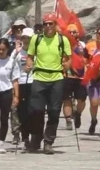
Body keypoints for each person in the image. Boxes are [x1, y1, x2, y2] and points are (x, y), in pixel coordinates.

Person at [25, 13, 72, 154]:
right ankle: (36, 139)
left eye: (51, 23)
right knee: (36, 111)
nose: (48, 26)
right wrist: (28, 65)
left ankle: (48, 142)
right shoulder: (36, 39)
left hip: (56, 78)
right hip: (39, 77)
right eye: (46, 24)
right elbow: (30, 56)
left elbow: (69, 58)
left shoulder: (63, 40)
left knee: (54, 112)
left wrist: (66, 66)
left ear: (56, 25)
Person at [10, 27, 35, 148]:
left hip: (33, 82)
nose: (26, 40)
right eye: (24, 38)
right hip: (20, 83)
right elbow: (10, 66)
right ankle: (23, 135)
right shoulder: (17, 52)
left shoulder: (36, 51)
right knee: (20, 110)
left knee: (32, 110)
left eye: (29, 38)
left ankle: (33, 134)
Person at [62, 23, 88, 131]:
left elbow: (87, 60)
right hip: (67, 75)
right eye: (70, 32)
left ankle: (78, 114)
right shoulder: (63, 44)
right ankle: (68, 119)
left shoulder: (82, 45)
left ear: (78, 33)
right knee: (66, 99)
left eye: (74, 32)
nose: (72, 34)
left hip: (80, 77)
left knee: (82, 99)